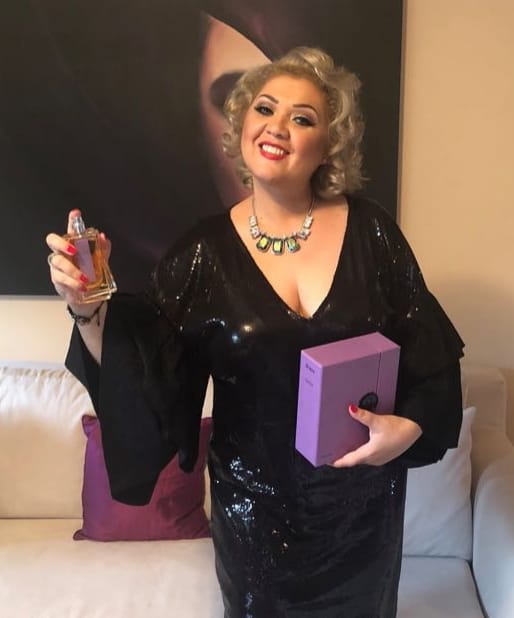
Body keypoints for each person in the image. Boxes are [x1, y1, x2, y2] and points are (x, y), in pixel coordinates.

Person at [46, 47, 464, 617]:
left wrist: (409, 428)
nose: (277, 126)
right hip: (255, 519)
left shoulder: (373, 233)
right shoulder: (202, 252)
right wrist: (88, 308)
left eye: (302, 117)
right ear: (242, 124)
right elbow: (146, 375)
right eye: (265, 108)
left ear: (328, 144)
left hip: (364, 513)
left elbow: (431, 355)